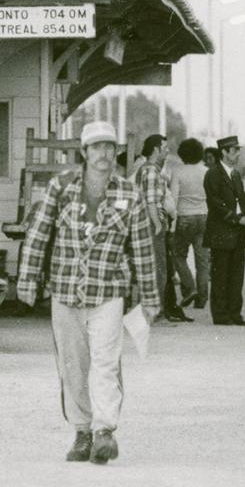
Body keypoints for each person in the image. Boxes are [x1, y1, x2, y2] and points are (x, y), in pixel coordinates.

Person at [15, 120, 159, 465]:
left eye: (110, 147)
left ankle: (104, 431)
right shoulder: (60, 187)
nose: (104, 154)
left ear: (117, 152)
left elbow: (142, 247)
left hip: (108, 291)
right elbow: (38, 234)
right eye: (96, 147)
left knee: (106, 363)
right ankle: (81, 432)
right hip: (65, 291)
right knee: (72, 365)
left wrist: (151, 296)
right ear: (84, 152)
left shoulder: (129, 194)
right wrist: (27, 279)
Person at [135, 134, 189, 323]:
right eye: (164, 148)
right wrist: (158, 225)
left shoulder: (148, 170)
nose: (167, 152)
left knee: (155, 267)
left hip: (150, 223)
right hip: (152, 224)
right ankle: (152, 311)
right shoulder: (150, 171)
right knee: (158, 268)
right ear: (156, 150)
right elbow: (151, 201)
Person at [204, 134, 245, 325]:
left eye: (238, 149)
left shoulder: (235, 173)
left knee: (236, 276)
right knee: (220, 275)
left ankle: (235, 313)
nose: (238, 153)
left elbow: (242, 199)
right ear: (224, 152)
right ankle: (221, 314)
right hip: (222, 233)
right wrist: (237, 219)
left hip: (238, 234)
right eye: (235, 150)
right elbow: (215, 204)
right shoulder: (213, 174)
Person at [168, 138, 212, 310]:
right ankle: (202, 298)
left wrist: (171, 226)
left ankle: (189, 287)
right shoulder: (206, 171)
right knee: (202, 260)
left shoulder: (178, 171)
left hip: (184, 218)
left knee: (178, 255)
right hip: (204, 216)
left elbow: (173, 198)